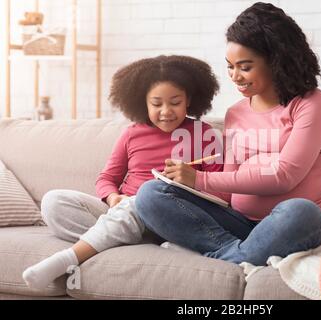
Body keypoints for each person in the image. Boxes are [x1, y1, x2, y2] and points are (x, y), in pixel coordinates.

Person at [134, 2, 321, 267]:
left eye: (244, 66)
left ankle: (225, 258)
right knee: (151, 193)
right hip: (241, 225)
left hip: (299, 224)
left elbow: (284, 176)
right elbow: (227, 195)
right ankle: (237, 254)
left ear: (275, 61)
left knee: (300, 211)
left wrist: (200, 180)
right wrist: (184, 184)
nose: (234, 76)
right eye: (230, 66)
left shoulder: (312, 104)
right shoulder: (236, 113)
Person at [22, 55, 222, 289]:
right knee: (53, 202)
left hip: (169, 213)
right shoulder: (132, 134)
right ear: (142, 103)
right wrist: (113, 197)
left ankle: (73, 255)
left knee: (145, 197)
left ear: (188, 100)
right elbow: (107, 178)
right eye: (156, 104)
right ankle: (140, 239)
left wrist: (193, 180)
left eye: (175, 102)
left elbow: (219, 191)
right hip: (124, 211)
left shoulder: (204, 134)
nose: (166, 111)